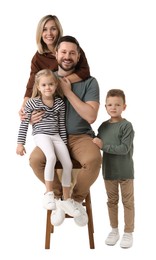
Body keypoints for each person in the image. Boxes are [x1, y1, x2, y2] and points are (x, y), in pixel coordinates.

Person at [29, 35, 102, 227]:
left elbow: (91, 116)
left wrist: (68, 92)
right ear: (56, 54)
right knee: (36, 160)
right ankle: (60, 199)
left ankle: (75, 201)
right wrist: (30, 117)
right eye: (63, 52)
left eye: (72, 53)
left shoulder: (90, 82)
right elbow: (32, 104)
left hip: (80, 137)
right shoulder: (47, 79)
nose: (67, 56)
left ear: (78, 57)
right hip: (51, 136)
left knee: (94, 159)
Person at [16, 69, 81, 218]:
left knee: (68, 164)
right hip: (41, 135)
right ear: (38, 87)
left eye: (50, 84)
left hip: (56, 135)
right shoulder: (32, 102)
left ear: (55, 85)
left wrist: (64, 145)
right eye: (44, 85)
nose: (48, 88)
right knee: (51, 157)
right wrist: (20, 143)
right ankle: (49, 193)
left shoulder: (59, 103)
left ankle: (67, 198)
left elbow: (61, 126)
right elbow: (24, 123)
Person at [19, 14, 90, 115]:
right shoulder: (38, 58)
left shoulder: (71, 47)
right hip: (52, 103)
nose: (49, 33)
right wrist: (24, 105)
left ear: (59, 31)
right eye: (44, 29)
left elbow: (85, 71)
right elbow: (32, 82)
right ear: (40, 33)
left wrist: (60, 84)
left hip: (74, 98)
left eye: (53, 29)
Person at [93, 89, 135, 248]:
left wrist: (103, 146)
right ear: (105, 107)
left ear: (124, 106)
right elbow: (95, 143)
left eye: (117, 104)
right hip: (108, 171)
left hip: (125, 171)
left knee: (128, 202)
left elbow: (124, 148)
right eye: (110, 104)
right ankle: (114, 230)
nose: (113, 107)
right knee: (111, 202)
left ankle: (128, 232)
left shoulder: (127, 126)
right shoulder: (103, 127)